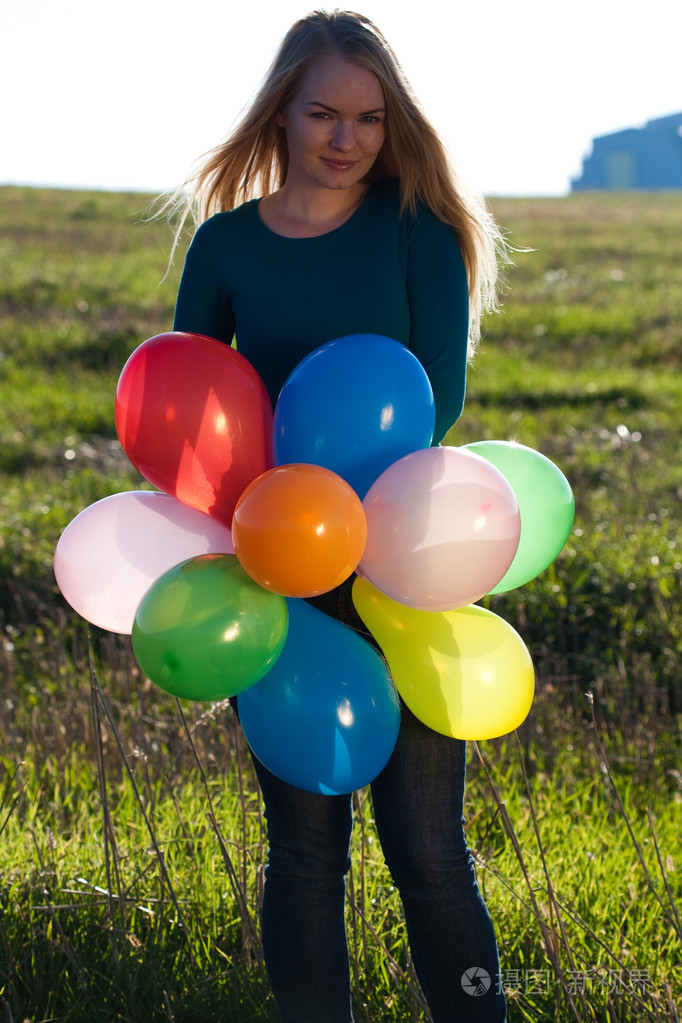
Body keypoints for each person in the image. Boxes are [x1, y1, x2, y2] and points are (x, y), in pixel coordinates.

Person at [170, 10, 508, 1022]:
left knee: (429, 852)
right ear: (281, 112)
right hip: (276, 571)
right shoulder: (227, 245)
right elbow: (193, 404)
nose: (344, 137)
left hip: (406, 563)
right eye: (321, 112)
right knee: (307, 855)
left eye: (366, 117)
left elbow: (433, 397)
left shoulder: (418, 230)